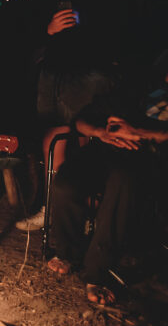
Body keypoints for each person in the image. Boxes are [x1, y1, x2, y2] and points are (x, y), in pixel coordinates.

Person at [20, 0, 136, 230]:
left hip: (89, 76)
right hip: (56, 73)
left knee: (80, 140)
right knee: (51, 135)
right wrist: (49, 29)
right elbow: (42, 29)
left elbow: (107, 37)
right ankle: (52, 208)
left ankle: (78, 213)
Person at [46, 56, 168, 305]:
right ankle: (67, 253)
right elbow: (81, 119)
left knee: (123, 182)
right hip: (105, 151)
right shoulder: (138, 88)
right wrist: (101, 133)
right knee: (66, 183)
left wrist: (138, 132)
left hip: (147, 161)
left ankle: (96, 274)